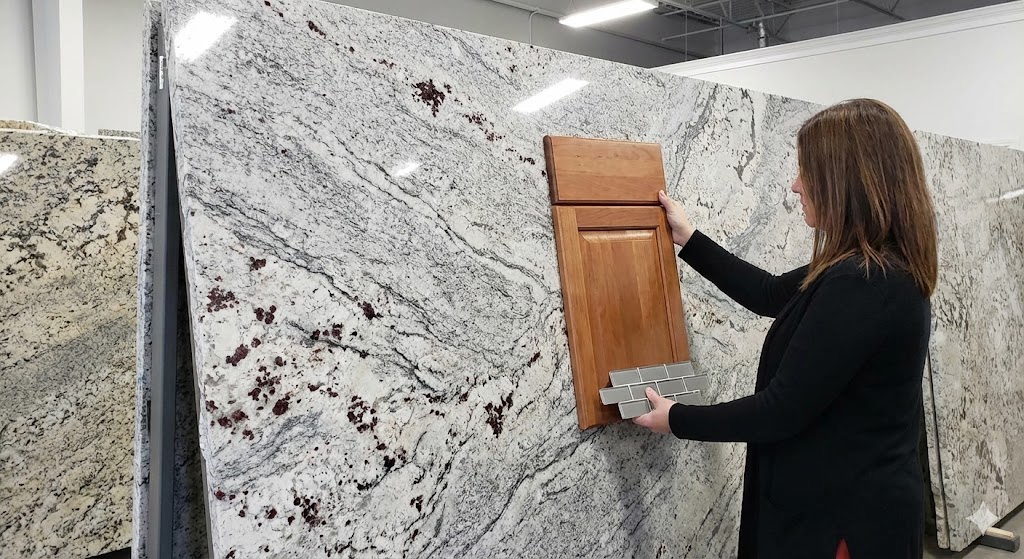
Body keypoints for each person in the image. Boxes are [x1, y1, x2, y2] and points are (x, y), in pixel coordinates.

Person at [634, 98, 938, 559]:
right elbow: (770, 293)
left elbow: (779, 410)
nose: (795, 186)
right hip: (846, 507)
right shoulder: (866, 267)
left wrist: (676, 418)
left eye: (806, 173)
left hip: (842, 527)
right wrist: (689, 238)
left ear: (844, 183)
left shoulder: (865, 282)